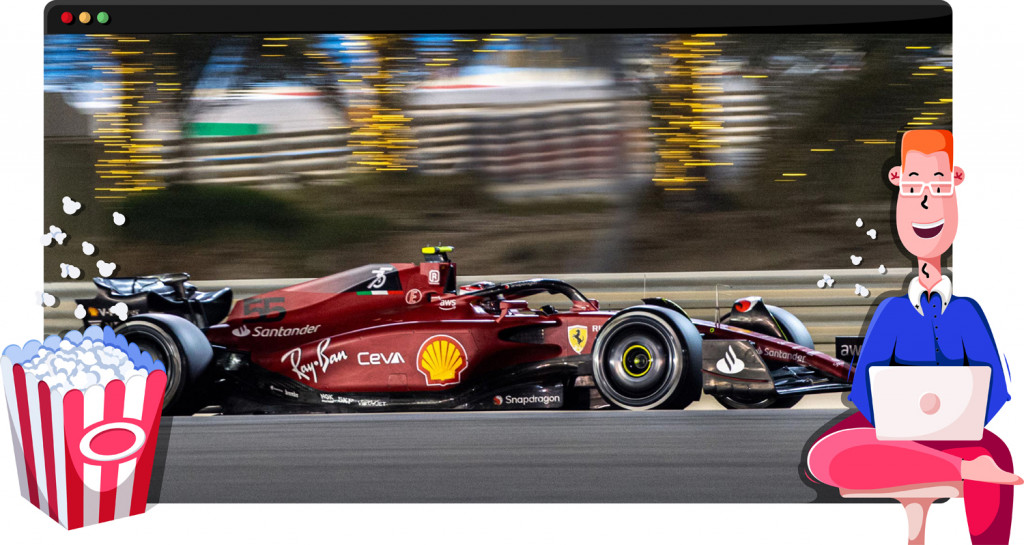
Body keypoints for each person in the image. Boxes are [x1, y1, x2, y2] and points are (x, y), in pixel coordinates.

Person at [806, 129, 1019, 545]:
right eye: (915, 188)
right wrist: (895, 428)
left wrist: (963, 428)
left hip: (961, 438)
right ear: (899, 189)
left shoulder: (967, 312)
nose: (925, 202)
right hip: (893, 440)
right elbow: (865, 389)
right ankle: (957, 471)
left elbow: (997, 388)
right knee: (824, 455)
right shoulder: (892, 312)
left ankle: (948, 474)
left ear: (955, 187)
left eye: (937, 188)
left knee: (999, 456)